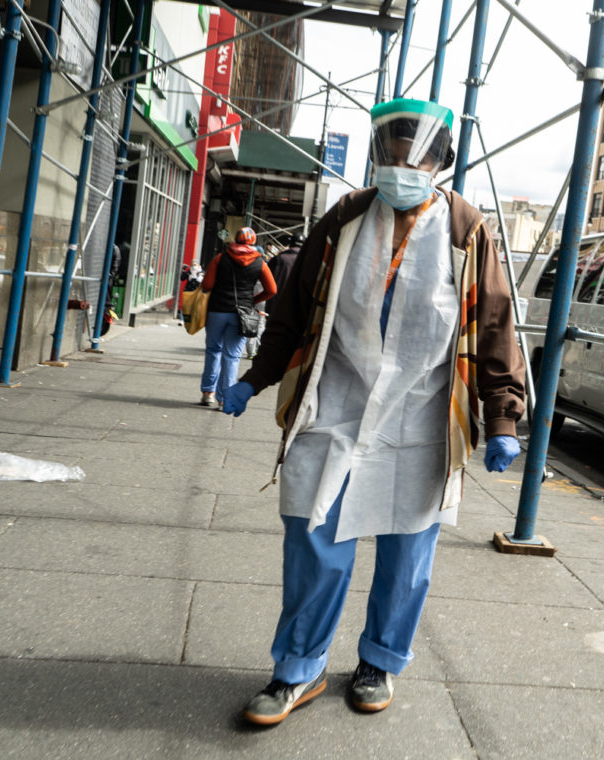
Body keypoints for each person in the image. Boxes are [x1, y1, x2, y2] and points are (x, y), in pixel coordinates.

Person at [222, 98, 525, 724]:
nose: (401, 164)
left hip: (421, 417)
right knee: (312, 536)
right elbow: (294, 309)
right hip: (337, 402)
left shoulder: (467, 230)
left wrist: (501, 418)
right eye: (391, 151)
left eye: (414, 154)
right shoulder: (345, 219)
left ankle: (379, 661)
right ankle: (296, 671)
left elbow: (495, 328)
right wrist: (255, 378)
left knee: (407, 556)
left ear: (440, 161)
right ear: (377, 152)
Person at [199, 227, 276, 408]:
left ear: (236, 239)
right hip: (242, 314)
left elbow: (207, 285)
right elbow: (272, 290)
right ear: (253, 242)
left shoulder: (220, 258)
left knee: (213, 350)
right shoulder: (260, 263)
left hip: (217, 310)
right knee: (232, 356)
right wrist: (253, 300)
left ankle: (207, 393)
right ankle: (224, 399)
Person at [265, 233, 302, 317]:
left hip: (275, 304)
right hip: (294, 308)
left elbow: (265, 277)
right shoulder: (307, 261)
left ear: (290, 243)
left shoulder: (279, 258)